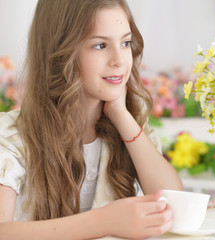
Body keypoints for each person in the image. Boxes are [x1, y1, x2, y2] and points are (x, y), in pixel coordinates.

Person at [0, 0, 184, 239]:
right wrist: (104, 221)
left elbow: (173, 205)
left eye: (126, 43)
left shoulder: (128, 126)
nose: (119, 60)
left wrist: (120, 114)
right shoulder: (11, 136)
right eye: (100, 45)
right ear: (60, 53)